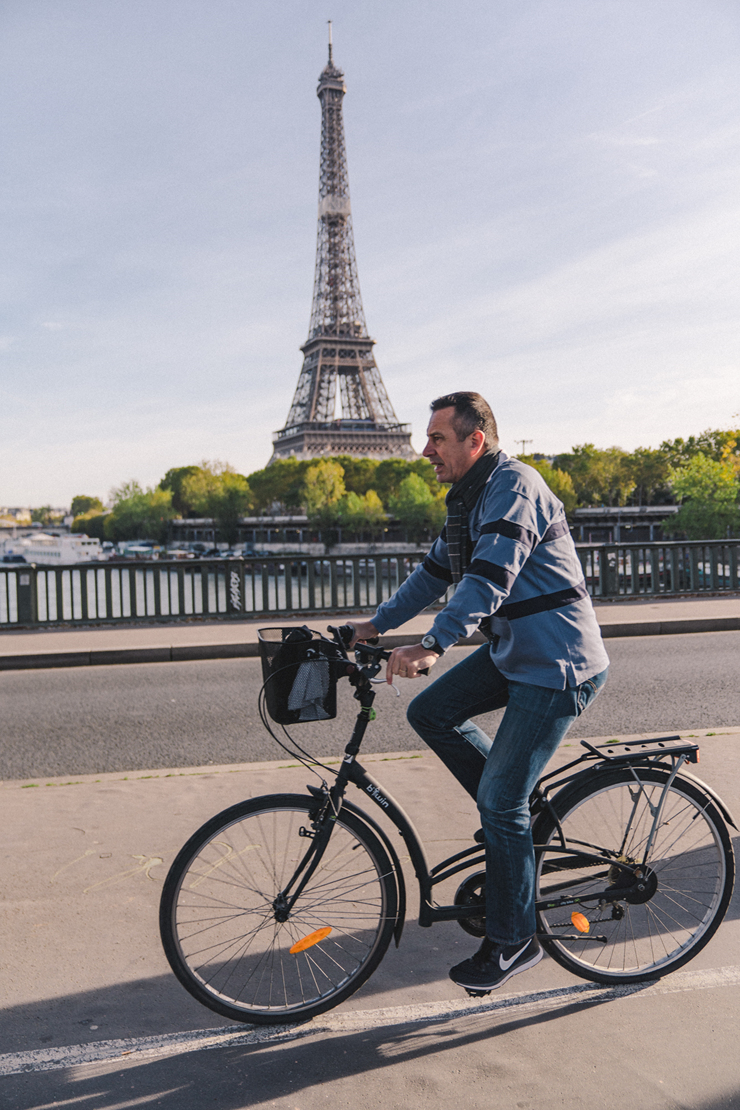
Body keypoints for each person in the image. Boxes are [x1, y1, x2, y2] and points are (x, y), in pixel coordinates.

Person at [347, 392, 610, 994]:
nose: (425, 449)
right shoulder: (470, 498)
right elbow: (434, 574)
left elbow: (490, 577)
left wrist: (435, 644)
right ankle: (516, 816)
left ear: (476, 441)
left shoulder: (514, 487)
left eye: (438, 438)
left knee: (498, 800)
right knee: (432, 712)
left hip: (557, 664)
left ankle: (515, 940)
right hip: (518, 652)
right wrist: (373, 626)